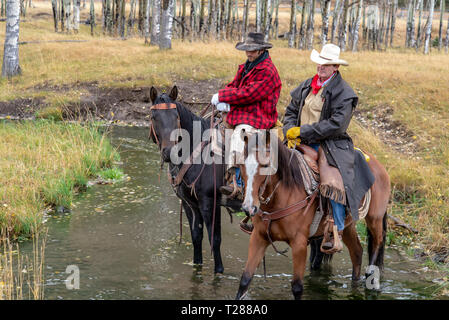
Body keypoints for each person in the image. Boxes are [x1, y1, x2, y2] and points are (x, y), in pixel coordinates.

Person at [283, 43, 375, 253]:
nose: (320, 68)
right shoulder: (307, 85)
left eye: (325, 65)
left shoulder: (345, 92)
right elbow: (290, 111)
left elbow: (336, 124)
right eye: (319, 64)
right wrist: (289, 129)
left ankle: (336, 229)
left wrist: (303, 132)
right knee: (271, 165)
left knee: (332, 180)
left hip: (330, 144)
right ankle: (262, 214)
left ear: (335, 67)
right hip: (298, 139)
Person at [210, 32, 282, 200]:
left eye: (253, 50)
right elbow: (234, 85)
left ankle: (239, 182)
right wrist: (224, 94)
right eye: (247, 50)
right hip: (245, 110)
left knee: (238, 134)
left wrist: (223, 96)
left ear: (262, 49)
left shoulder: (268, 71)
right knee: (213, 126)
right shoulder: (246, 66)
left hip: (260, 115)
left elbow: (250, 94)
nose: (249, 53)